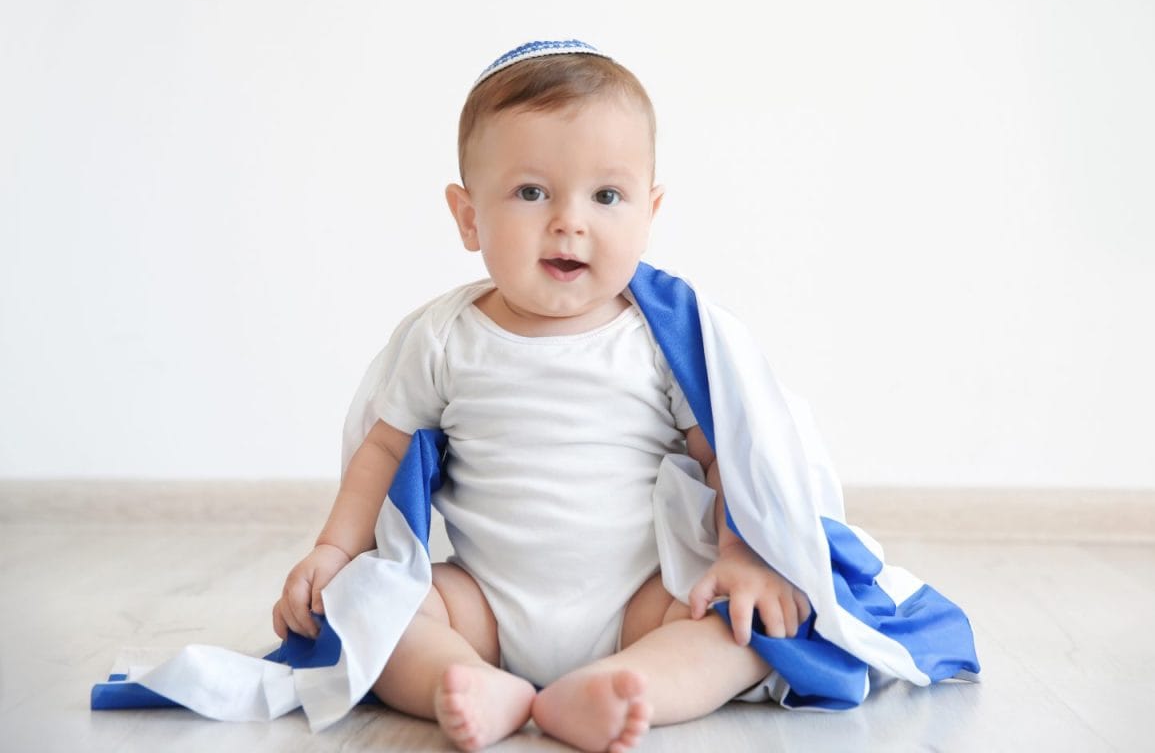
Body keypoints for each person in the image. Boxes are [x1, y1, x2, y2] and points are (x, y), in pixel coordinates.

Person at [271, 40, 811, 753]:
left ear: (649, 212)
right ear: (468, 217)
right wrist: (335, 554)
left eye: (606, 195)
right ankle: (467, 679)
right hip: (482, 604)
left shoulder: (661, 340)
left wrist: (740, 553)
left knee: (743, 631)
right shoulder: (445, 338)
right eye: (532, 192)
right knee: (374, 612)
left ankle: (627, 682)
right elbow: (383, 450)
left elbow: (726, 458)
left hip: (641, 600)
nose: (570, 221)